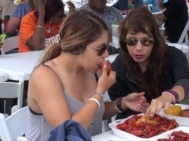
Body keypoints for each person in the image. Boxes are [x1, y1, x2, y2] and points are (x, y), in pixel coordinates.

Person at [25, 9, 148, 140]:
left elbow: (92, 113)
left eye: (107, 48)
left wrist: (121, 103)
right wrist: (100, 91)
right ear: (78, 46)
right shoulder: (44, 77)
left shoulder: (88, 69)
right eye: (100, 49)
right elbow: (68, 133)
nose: (106, 54)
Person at [108, 6, 189, 119]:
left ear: (155, 41)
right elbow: (116, 101)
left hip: (168, 118)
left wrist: (168, 96)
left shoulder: (173, 55)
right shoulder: (118, 66)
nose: (138, 48)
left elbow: (187, 82)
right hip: (132, 124)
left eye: (146, 41)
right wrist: (125, 103)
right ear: (124, 41)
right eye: (132, 41)